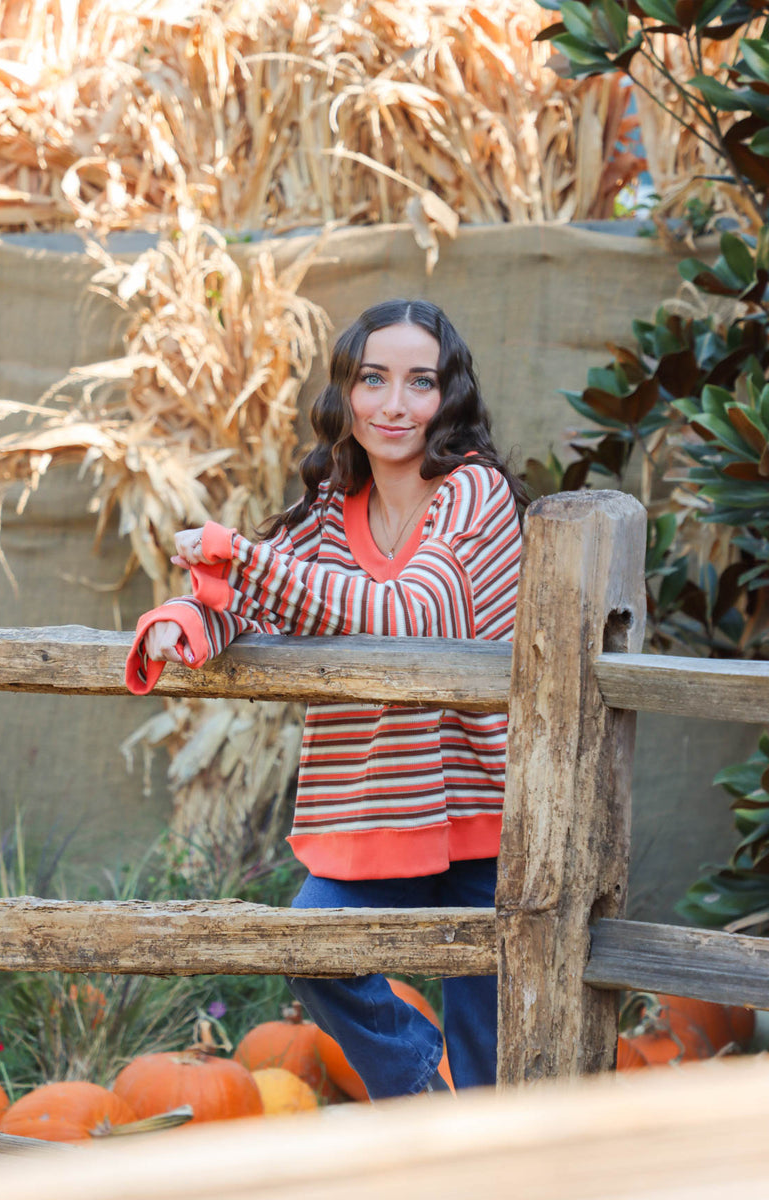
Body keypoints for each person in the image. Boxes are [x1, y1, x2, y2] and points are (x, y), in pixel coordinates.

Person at [126, 298, 525, 1099]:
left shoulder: (473, 494)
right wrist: (185, 619)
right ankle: (424, 1104)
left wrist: (241, 557)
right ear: (346, 393)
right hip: (379, 807)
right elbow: (258, 596)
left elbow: (417, 614)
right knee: (312, 944)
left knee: (496, 1049)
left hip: (491, 811)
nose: (394, 404)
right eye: (373, 380)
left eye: (420, 382)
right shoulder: (329, 510)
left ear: (449, 397)